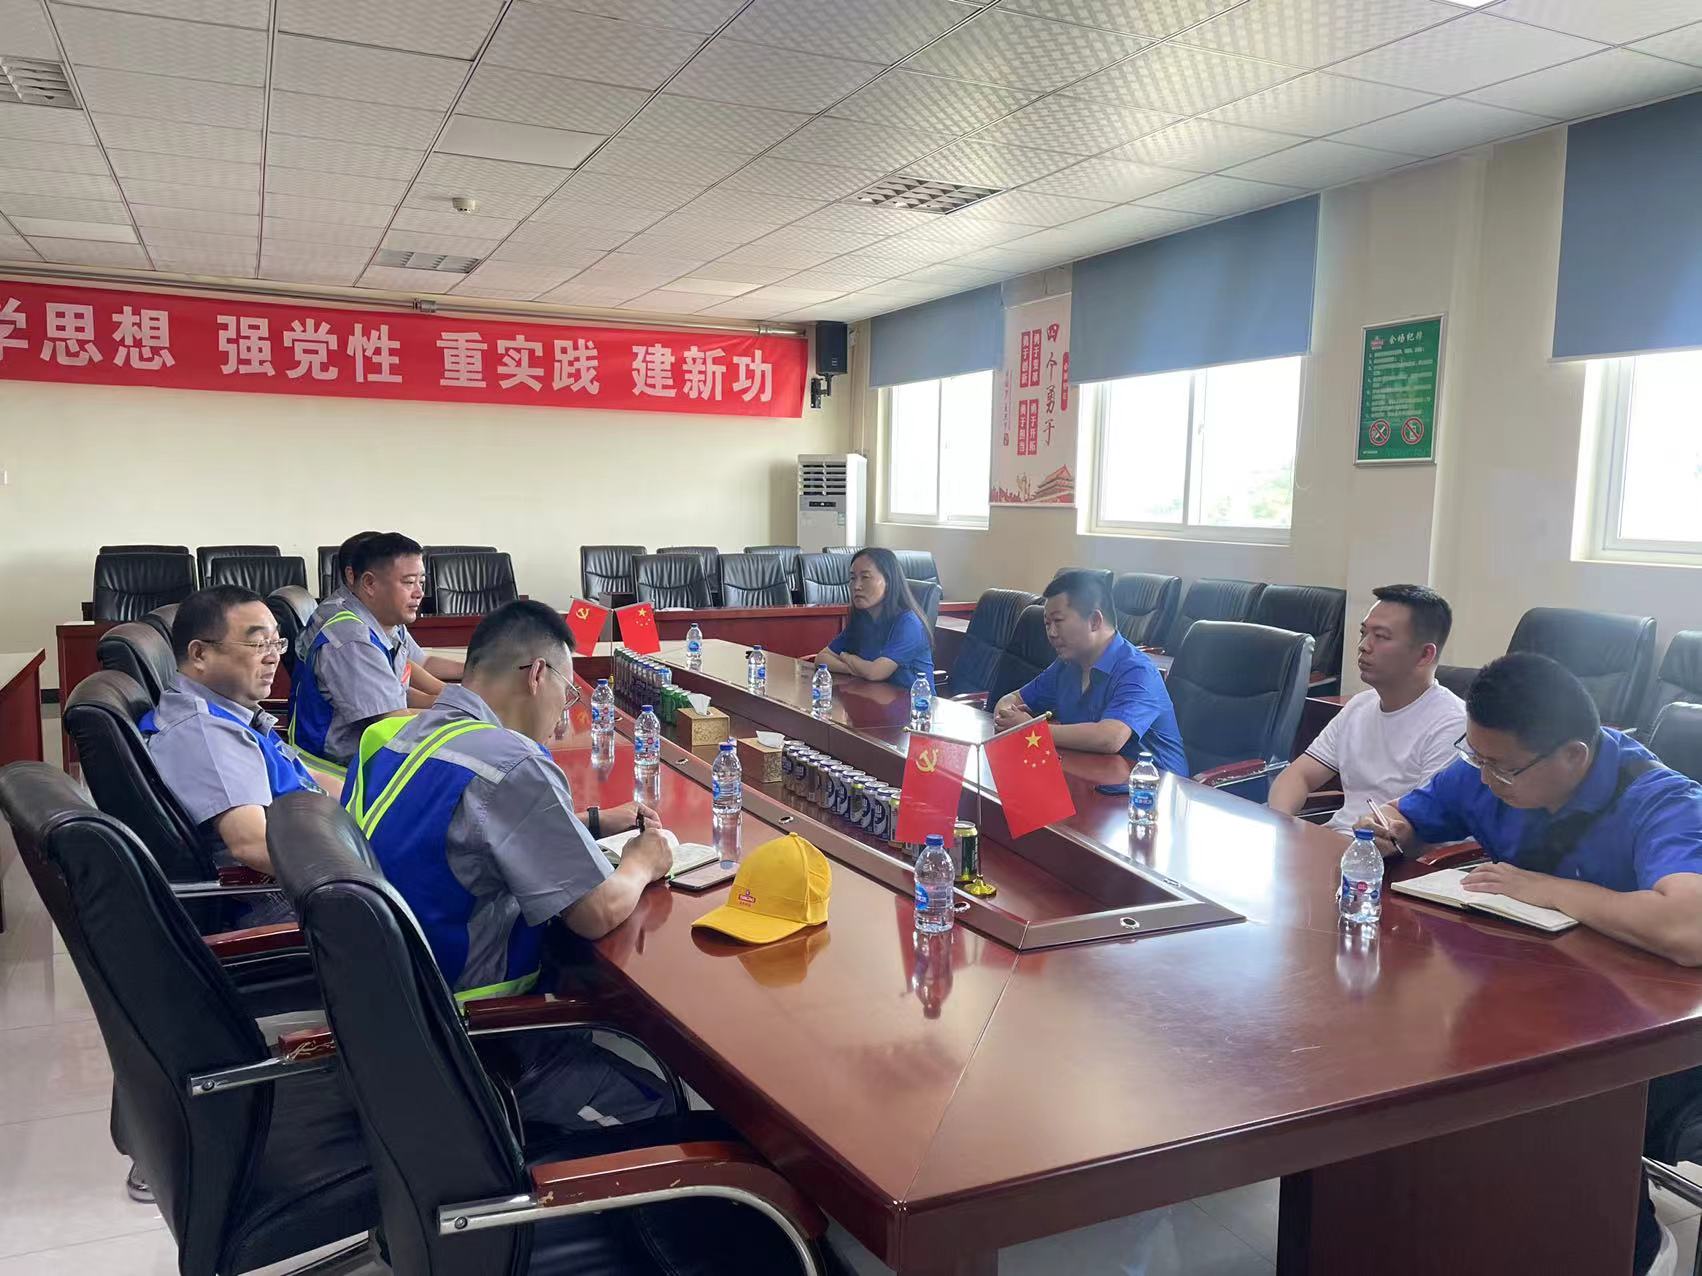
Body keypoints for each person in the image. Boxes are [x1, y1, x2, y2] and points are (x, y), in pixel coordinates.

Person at [1361, 652, 1702, 1274]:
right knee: (1416, 1059)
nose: (1487, 779)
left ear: (1573, 755)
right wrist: (1390, 829)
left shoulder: (1662, 800)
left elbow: (1689, 930)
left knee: (1547, 1099)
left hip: (1652, 1029)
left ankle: (1633, 1247)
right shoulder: (1490, 767)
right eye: (1476, 757)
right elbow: (1409, 817)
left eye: (1503, 768)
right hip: (1530, 996)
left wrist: (1548, 889)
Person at [343, 599, 676, 1129]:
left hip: (387, 1015)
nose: (565, 713)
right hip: (476, 1038)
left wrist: (589, 821)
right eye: (568, 693)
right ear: (537, 675)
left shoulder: (399, 737)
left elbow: (457, 829)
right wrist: (643, 860)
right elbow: (594, 912)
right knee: (668, 1106)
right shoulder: (513, 761)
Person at [141, 586, 338, 873]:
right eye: (259, 644)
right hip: (299, 881)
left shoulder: (233, 710)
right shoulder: (207, 733)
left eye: (276, 643)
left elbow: (307, 777)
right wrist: (362, 875)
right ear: (199, 654)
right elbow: (253, 846)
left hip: (322, 834)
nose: (273, 657)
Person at [1269, 584, 1464, 830]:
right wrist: (1281, 824)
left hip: (1387, 849)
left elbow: (1425, 823)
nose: (1363, 645)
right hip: (1334, 840)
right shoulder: (1359, 706)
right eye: (1364, 633)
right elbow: (1299, 775)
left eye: (1380, 637)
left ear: (1424, 655)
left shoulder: (1452, 724)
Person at [288, 531, 463, 773]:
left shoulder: (385, 618)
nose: (419, 593)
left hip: (374, 756)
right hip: (338, 772)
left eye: (421, 582)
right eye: (408, 582)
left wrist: (461, 701)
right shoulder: (351, 638)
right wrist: (467, 717)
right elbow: (394, 720)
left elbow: (398, 690)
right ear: (369, 583)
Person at [992, 570, 1187, 770]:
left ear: (1094, 620)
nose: (1051, 633)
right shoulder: (1066, 666)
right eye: (1047, 624)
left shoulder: (1138, 670)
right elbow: (1012, 699)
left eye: (1058, 621)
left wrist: (1031, 730)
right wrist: (1007, 717)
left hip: (1152, 783)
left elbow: (1110, 737)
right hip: (1094, 776)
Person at [813, 547, 935, 692]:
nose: (856, 586)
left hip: (914, 703)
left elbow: (876, 672)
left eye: (865, 577)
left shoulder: (908, 623)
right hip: (874, 698)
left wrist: (848, 657)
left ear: (888, 581)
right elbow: (822, 658)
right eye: (853, 578)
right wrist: (854, 669)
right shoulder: (863, 620)